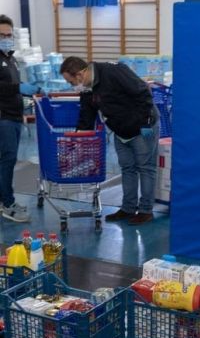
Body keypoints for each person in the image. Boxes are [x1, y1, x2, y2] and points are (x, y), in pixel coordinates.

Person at [60, 56, 159, 225]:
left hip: (143, 125)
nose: (72, 86)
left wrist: (146, 124)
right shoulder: (87, 88)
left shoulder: (113, 71)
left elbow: (143, 91)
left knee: (146, 167)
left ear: (80, 74)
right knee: (127, 168)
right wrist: (76, 142)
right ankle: (128, 208)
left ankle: (145, 210)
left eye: (71, 82)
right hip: (120, 129)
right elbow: (87, 115)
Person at [0, 14, 40, 223]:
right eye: (1, 35)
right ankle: (8, 204)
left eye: (8, 35)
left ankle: (3, 199)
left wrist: (27, 92)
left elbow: (13, 85)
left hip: (14, 115)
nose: (6, 38)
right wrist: (19, 88)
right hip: (3, 117)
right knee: (6, 162)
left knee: (7, 160)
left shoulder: (10, 58)